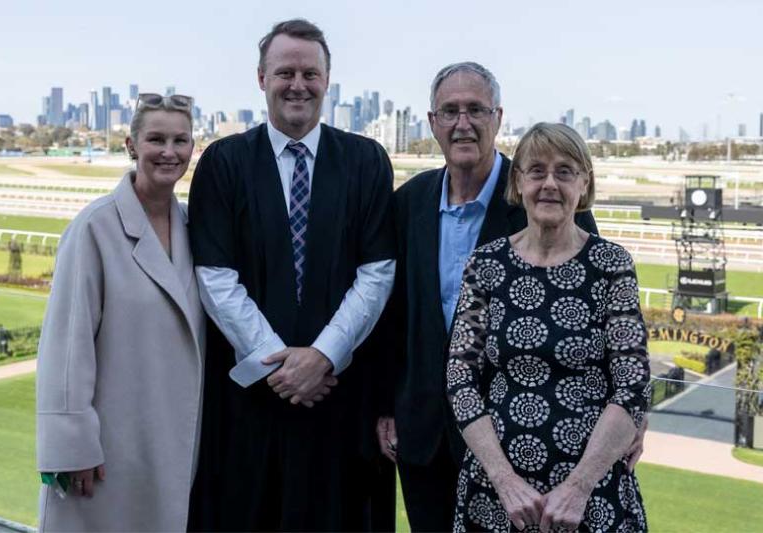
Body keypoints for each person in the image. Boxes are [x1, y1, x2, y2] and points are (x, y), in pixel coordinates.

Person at [186, 19, 395, 531]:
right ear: (261, 78)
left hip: (340, 401)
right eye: (285, 73)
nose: (297, 85)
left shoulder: (366, 161)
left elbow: (377, 271)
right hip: (251, 405)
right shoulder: (224, 162)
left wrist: (322, 356)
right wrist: (280, 365)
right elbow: (215, 277)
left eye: (309, 73)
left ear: (327, 80)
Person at [376, 62, 603, 532]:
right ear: (432, 121)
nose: (463, 123)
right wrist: (384, 406)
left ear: (498, 118)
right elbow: (392, 318)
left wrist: (627, 420)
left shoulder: (540, 199)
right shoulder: (408, 201)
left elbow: (594, 318)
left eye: (476, 110)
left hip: (519, 440)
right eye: (450, 111)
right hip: (423, 440)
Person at [447, 122, 650, 532]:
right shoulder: (486, 265)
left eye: (565, 171)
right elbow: (460, 378)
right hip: (497, 495)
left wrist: (578, 487)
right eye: (537, 171)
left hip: (592, 497)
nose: (550, 184)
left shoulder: (611, 265)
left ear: (584, 183)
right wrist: (505, 482)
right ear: (518, 182)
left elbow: (633, 383)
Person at [35, 93, 205, 531]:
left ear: (192, 148)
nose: (169, 152)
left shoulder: (196, 228)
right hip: (107, 450)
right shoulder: (94, 228)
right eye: (156, 139)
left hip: (173, 443)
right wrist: (71, 447)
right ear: (131, 146)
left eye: (180, 141)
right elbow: (65, 346)